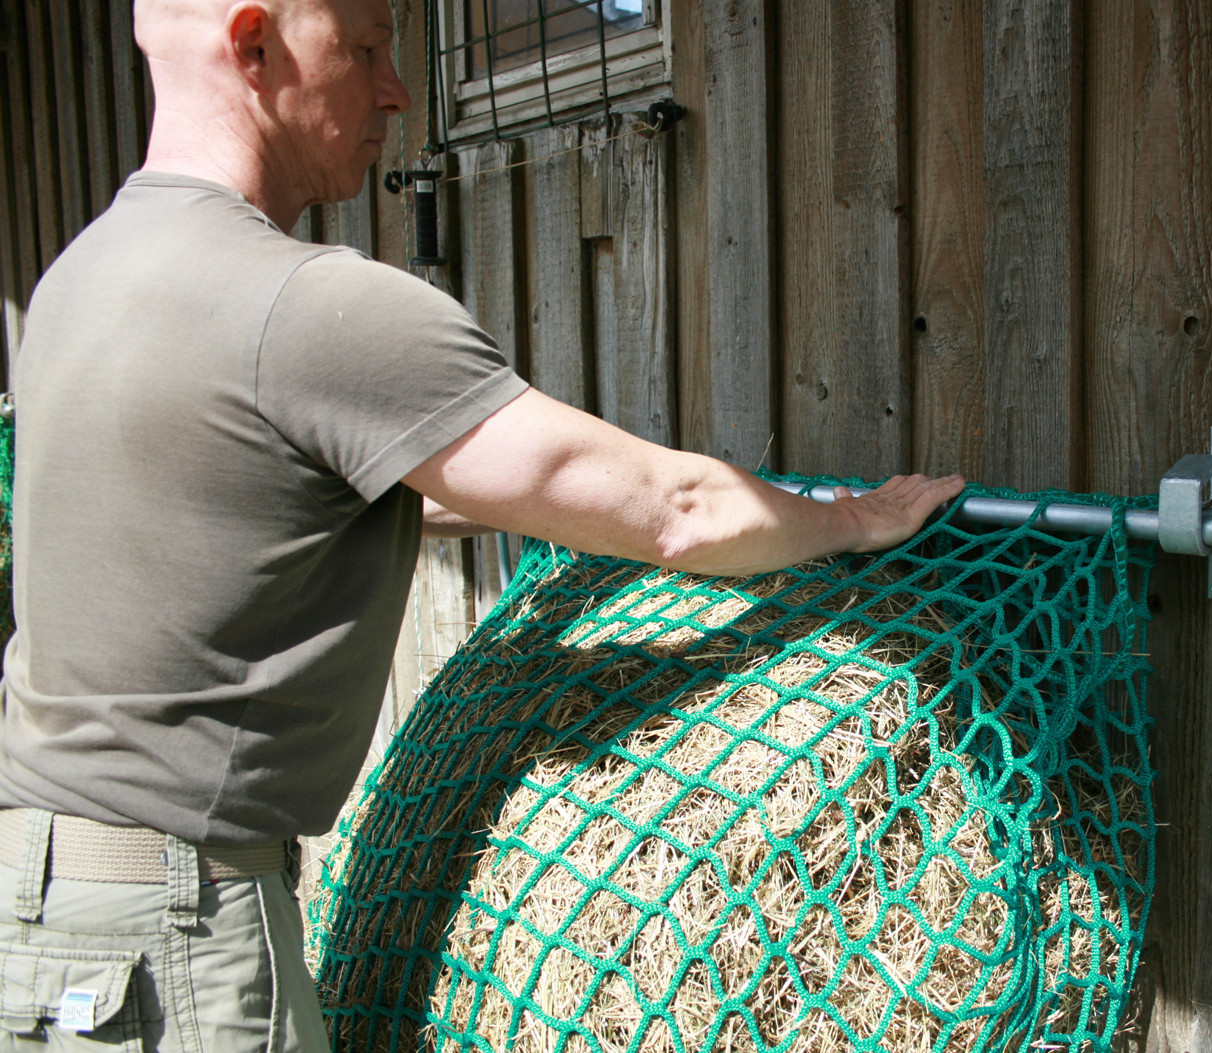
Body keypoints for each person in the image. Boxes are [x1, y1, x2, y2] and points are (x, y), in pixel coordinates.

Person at [0, 0, 965, 1050]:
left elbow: (275, 498)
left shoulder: (79, 279)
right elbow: (675, 513)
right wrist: (857, 517)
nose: (396, 91)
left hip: (41, 909)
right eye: (365, 48)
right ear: (252, 43)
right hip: (173, 932)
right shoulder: (308, 309)